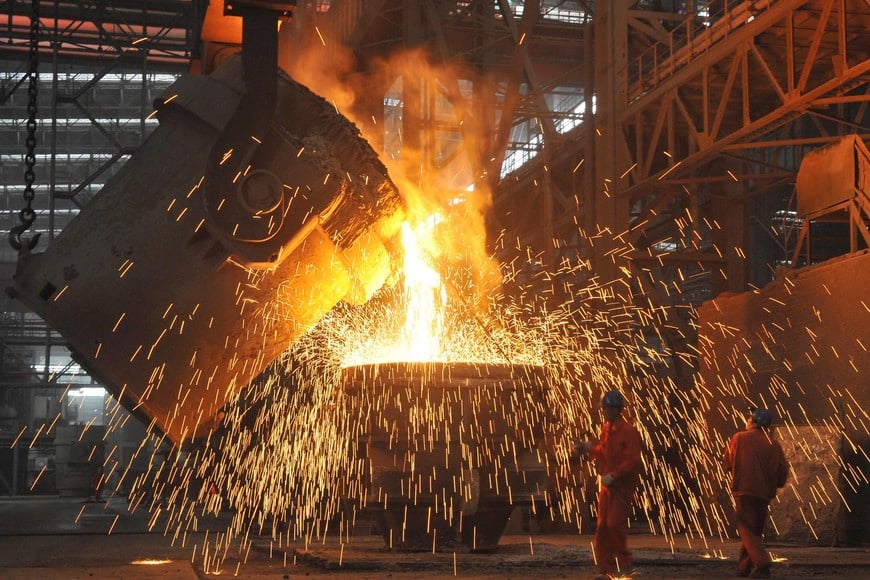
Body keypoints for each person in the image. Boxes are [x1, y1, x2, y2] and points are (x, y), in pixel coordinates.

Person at [576, 389, 643, 580]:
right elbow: (604, 452)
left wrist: (614, 475)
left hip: (621, 487)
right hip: (607, 487)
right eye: (603, 408)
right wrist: (588, 449)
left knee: (614, 525)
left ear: (616, 409)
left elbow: (632, 461)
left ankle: (625, 564)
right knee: (602, 528)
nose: (604, 411)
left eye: (606, 408)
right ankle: (605, 570)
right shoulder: (606, 429)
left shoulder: (628, 431)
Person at [723, 408, 790, 578]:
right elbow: (782, 472)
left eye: (748, 418)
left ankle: (763, 563)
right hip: (764, 494)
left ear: (753, 421)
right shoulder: (773, 443)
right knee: (754, 530)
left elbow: (727, 463)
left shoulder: (739, 438)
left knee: (746, 528)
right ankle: (743, 569)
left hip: (744, 491)